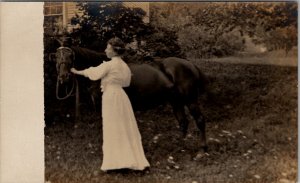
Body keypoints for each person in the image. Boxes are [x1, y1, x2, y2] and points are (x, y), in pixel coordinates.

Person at [70, 37, 150, 172]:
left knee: (112, 127)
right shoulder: (124, 66)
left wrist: (76, 71)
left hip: (111, 97)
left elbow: (93, 73)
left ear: (114, 51)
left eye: (108, 48)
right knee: (125, 127)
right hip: (122, 97)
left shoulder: (109, 65)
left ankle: (116, 163)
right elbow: (126, 83)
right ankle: (130, 160)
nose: (105, 50)